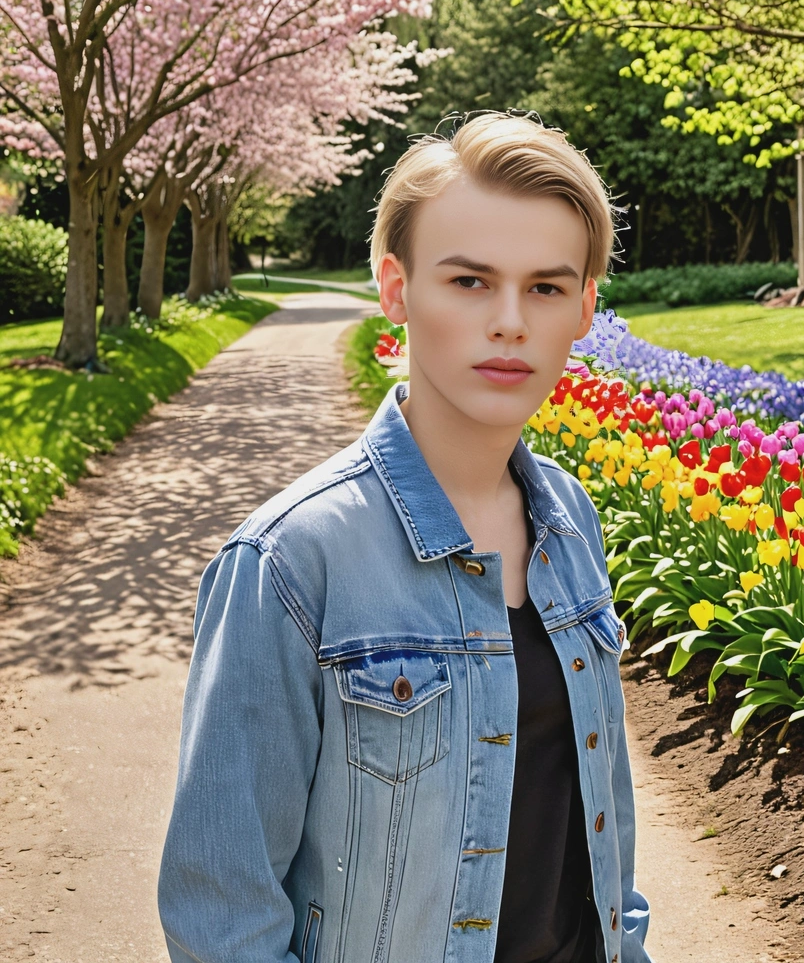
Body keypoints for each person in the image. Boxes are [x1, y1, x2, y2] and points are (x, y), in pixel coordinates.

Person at [157, 109, 654, 963]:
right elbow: (222, 916)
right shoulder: (289, 563)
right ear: (396, 289)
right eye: (468, 282)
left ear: (585, 308)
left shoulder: (569, 522)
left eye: (545, 286)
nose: (510, 322)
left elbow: (600, 842)